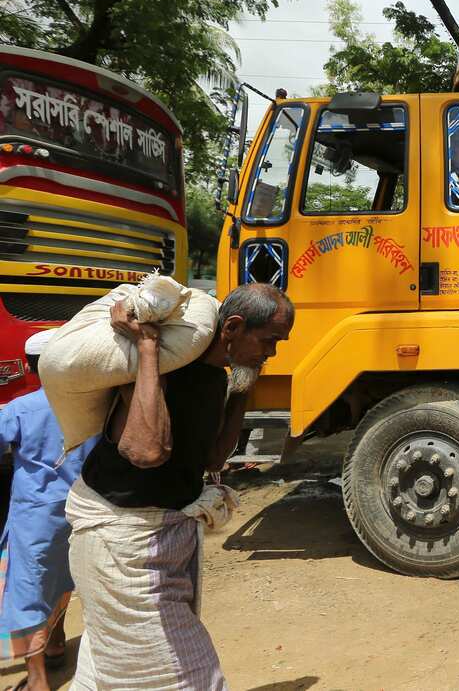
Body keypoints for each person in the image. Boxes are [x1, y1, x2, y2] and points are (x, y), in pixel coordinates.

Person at [67, 282, 294, 690]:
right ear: (234, 327)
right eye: (268, 341)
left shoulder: (212, 378)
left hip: (158, 539)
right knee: (185, 676)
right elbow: (146, 451)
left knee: (113, 667)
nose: (272, 352)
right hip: (121, 542)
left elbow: (213, 459)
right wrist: (149, 348)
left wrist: (246, 383)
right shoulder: (167, 367)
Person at [0, 331, 98, 691]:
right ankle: (57, 643)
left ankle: (37, 680)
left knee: (29, 590)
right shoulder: (92, 405)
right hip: (81, 508)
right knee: (64, 578)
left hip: (34, 516)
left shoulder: (21, 409)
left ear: (29, 366)